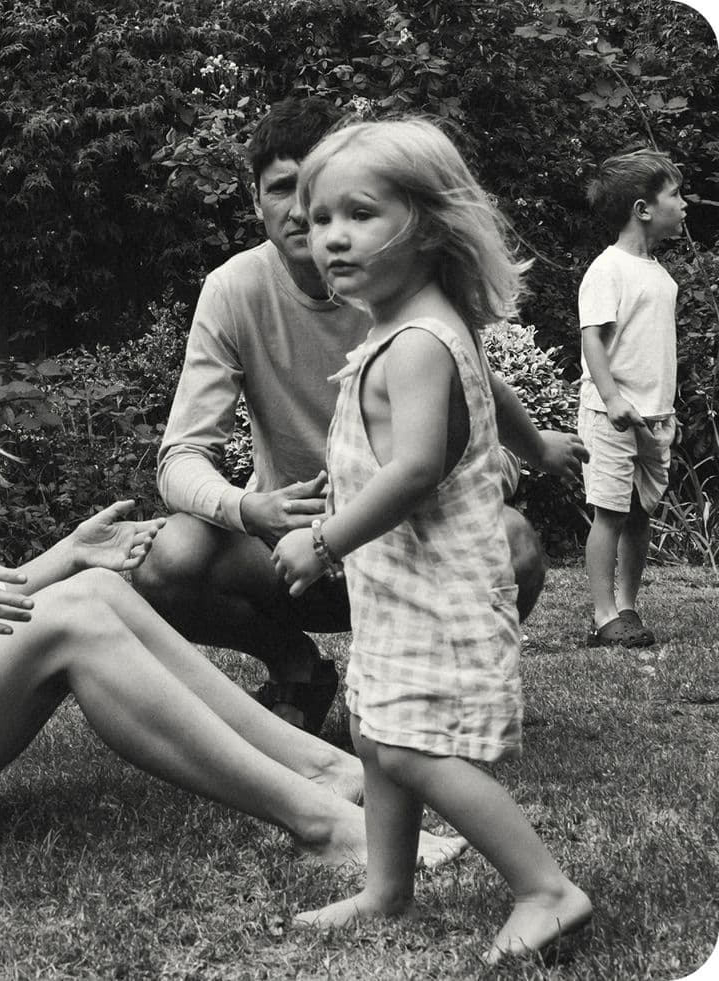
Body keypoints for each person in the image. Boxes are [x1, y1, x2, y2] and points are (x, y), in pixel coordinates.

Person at [0, 247, 469, 869]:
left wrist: (69, 555)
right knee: (81, 616)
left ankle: (327, 769)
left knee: (98, 594)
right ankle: (321, 822)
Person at [132, 98, 589, 733]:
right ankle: (298, 668)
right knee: (165, 556)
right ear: (254, 200)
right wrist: (249, 508)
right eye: (285, 192)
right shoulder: (235, 290)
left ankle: (438, 693)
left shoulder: (394, 285)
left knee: (511, 543)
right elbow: (180, 456)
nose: (302, 214)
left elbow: (474, 385)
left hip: (400, 528)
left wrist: (532, 451)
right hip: (287, 547)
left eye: (328, 197)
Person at [273, 117, 592, 964]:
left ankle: (546, 888)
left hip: (436, 584)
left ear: (427, 222)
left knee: (414, 747)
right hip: (400, 584)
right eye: (319, 218)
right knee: (377, 732)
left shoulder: (415, 341)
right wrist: (540, 445)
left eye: (359, 214)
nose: (330, 237)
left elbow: (413, 470)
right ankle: (388, 887)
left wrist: (325, 539)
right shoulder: (417, 321)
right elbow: (486, 376)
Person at [577, 149, 686, 648]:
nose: (685, 205)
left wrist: (668, 409)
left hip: (654, 418)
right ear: (643, 208)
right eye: (675, 195)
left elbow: (655, 351)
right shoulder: (608, 269)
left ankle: (627, 607)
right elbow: (592, 339)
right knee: (610, 511)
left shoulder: (660, 275)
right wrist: (611, 397)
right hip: (611, 416)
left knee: (640, 513)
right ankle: (603, 616)